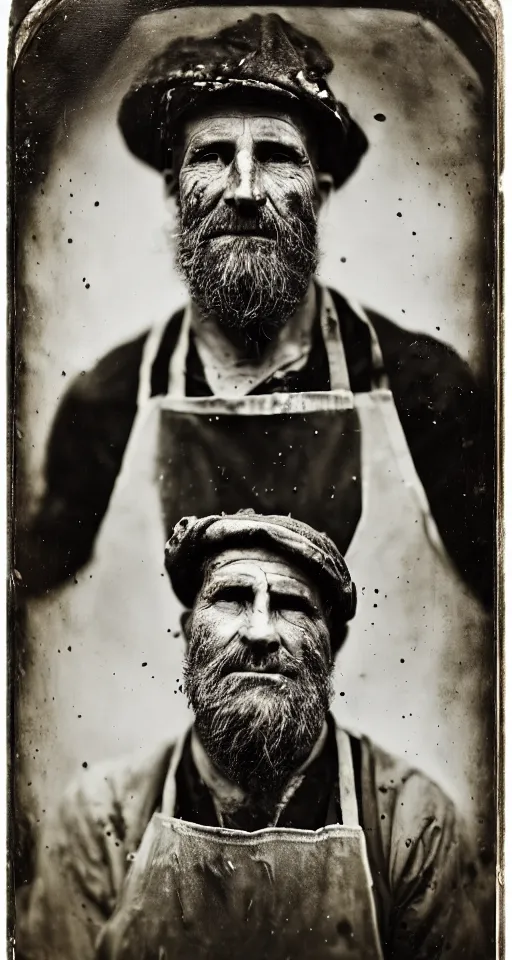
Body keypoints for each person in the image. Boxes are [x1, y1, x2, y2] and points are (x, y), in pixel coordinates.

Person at [17, 11, 493, 609]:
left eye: (275, 155)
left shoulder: (427, 388)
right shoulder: (104, 405)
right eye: (213, 156)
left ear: (317, 196)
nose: (244, 191)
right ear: (175, 191)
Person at [18, 511, 485, 960]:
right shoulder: (102, 819)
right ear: (189, 633)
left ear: (332, 644)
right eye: (233, 596)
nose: (260, 631)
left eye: (291, 604)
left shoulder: (413, 821)